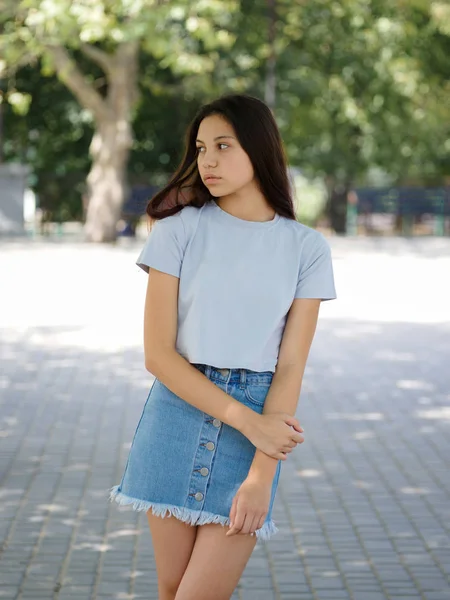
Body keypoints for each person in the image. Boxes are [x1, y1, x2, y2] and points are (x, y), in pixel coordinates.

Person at [110, 94, 337, 600]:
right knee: (173, 591)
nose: (206, 160)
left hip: (254, 429)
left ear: (259, 150)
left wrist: (261, 474)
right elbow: (158, 355)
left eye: (222, 146)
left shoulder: (306, 249)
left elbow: (291, 366)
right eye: (200, 148)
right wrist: (247, 421)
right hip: (175, 415)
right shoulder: (177, 231)